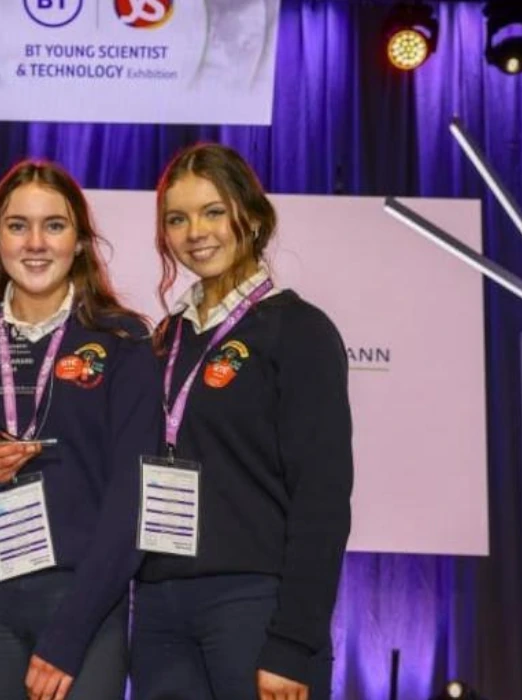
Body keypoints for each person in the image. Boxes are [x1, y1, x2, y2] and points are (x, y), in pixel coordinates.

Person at [0, 160, 162, 700]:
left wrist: (71, 632)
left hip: (84, 595)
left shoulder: (121, 341)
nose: (35, 243)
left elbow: (132, 498)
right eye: (18, 226)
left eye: (54, 225)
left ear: (79, 242)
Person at [130, 143, 353, 700]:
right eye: (177, 219)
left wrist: (293, 642)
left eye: (213, 211)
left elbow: (322, 499)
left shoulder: (298, 330)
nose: (195, 232)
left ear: (250, 216)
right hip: (158, 608)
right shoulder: (165, 339)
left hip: (253, 607)